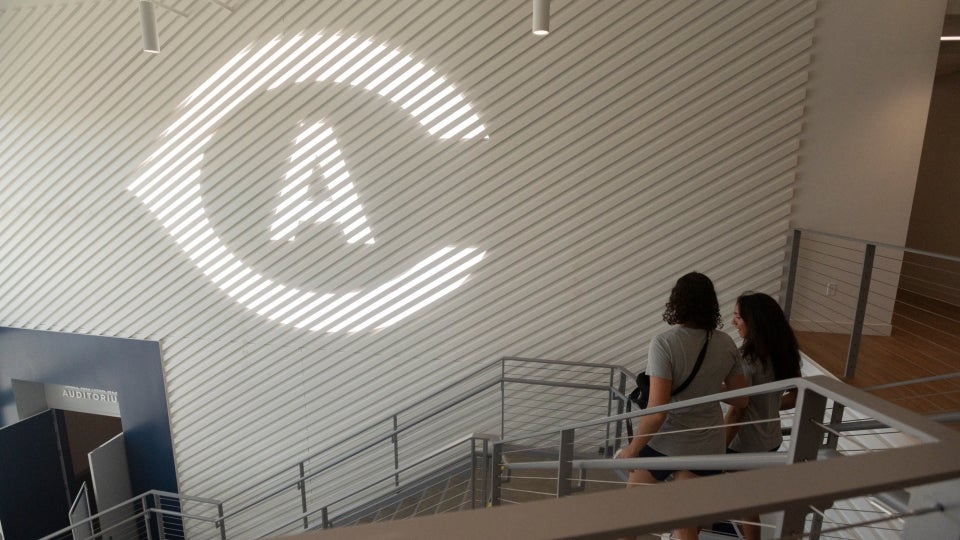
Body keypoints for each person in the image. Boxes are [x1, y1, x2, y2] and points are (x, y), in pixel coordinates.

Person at [617, 272, 747, 540]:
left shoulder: (664, 343)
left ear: (677, 302)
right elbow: (741, 399)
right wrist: (708, 390)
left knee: (628, 514)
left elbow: (657, 411)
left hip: (668, 442)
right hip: (708, 446)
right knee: (685, 521)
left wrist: (632, 449)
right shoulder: (725, 342)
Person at [724, 292, 802, 540]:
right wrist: (768, 405)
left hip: (744, 444)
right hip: (771, 440)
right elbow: (796, 395)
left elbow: (737, 410)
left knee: (744, 505)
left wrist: (718, 448)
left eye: (737, 317)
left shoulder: (748, 361)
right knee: (747, 500)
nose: (733, 322)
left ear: (753, 321)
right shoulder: (781, 353)